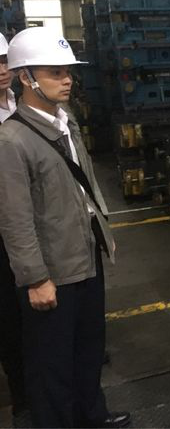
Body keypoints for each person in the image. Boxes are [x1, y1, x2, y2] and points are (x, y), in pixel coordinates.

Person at [0, 27, 130, 428]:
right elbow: (15, 218)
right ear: (26, 78)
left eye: (68, 71)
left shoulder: (66, 122)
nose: (67, 79)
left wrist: (103, 233)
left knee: (88, 349)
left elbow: (84, 185)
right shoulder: (11, 140)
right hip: (52, 270)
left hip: (84, 255)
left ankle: (92, 416)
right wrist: (36, 278)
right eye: (55, 72)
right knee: (51, 363)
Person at [0, 32, 25, 417]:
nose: (2, 70)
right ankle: (22, 395)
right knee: (7, 310)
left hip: (27, 219)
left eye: (5, 62)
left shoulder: (20, 103)